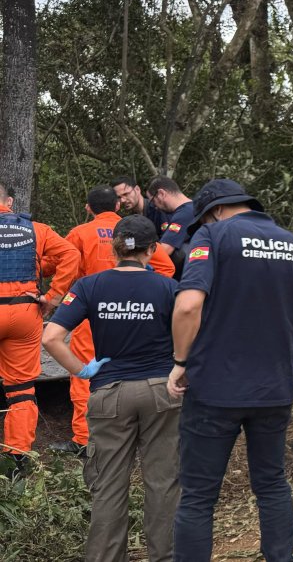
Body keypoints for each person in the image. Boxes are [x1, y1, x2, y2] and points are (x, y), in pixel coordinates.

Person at [167, 179, 293, 562]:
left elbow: (187, 307)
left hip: (215, 385)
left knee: (199, 495)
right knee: (271, 483)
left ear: (214, 211)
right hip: (275, 385)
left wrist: (180, 362)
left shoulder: (212, 237)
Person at [42, 215, 181, 562]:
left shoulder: (89, 286)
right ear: (152, 250)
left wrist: (83, 371)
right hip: (161, 392)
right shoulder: (169, 288)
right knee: (164, 483)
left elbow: (51, 338)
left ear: (114, 247)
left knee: (108, 485)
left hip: (109, 393)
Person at [52, 185, 175, 456]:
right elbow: (167, 268)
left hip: (91, 315)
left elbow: (64, 263)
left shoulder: (79, 234)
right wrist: (147, 292)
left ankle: (86, 440)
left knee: (85, 376)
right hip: (139, 316)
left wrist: (59, 293)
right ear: (118, 206)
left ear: (88, 208)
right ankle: (139, 436)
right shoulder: (137, 233)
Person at [0, 180, 81, 473]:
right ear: (8, 203)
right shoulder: (36, 230)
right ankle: (17, 460)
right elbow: (71, 255)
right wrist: (53, 297)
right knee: (20, 389)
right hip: (24, 312)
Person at [146, 176, 195, 278]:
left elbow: (165, 250)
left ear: (161, 194)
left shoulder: (185, 213)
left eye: (153, 201)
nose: (154, 206)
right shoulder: (191, 208)